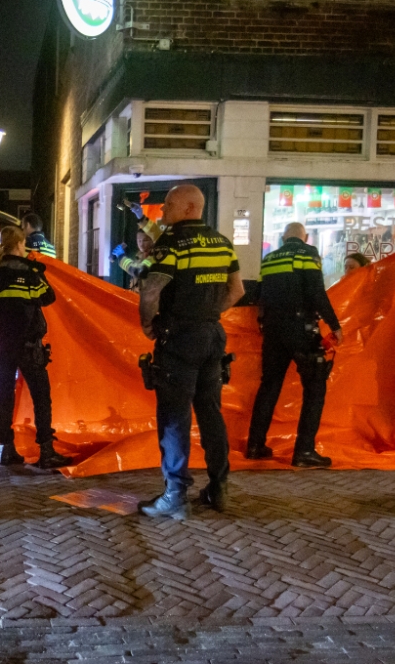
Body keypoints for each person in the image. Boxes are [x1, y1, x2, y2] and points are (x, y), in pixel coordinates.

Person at [137, 184, 244, 519]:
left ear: (188, 208)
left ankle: (175, 496)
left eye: (168, 205)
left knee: (174, 418)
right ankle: (219, 488)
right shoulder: (223, 243)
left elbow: (151, 290)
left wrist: (149, 324)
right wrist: (209, 314)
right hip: (213, 336)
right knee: (211, 413)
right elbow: (237, 290)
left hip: (179, 337)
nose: (162, 211)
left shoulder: (171, 244)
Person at [245, 222, 343, 468]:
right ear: (305, 236)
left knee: (269, 386)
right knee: (315, 387)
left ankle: (255, 446)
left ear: (283, 237)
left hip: (273, 332)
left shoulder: (268, 259)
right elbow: (316, 292)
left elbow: (258, 294)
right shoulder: (307, 253)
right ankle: (304, 451)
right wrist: (334, 324)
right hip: (301, 330)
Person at [0, 226, 72, 469]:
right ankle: (46, 451)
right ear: (19, 245)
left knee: (5, 396)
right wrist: (40, 271)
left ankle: (8, 450)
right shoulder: (29, 274)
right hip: (27, 345)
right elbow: (48, 297)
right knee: (41, 395)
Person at [111, 227, 157, 292]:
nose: (141, 244)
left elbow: (138, 271)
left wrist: (121, 257)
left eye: (145, 240)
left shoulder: (155, 256)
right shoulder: (138, 256)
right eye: (139, 240)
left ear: (152, 241)